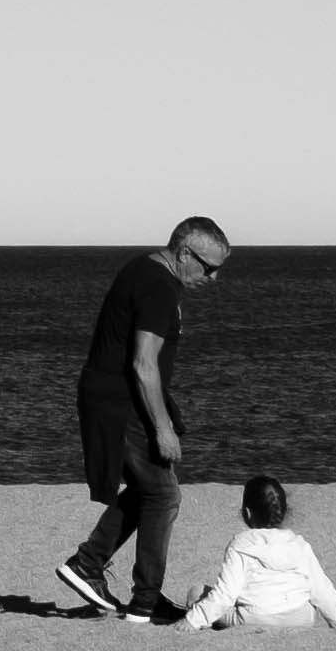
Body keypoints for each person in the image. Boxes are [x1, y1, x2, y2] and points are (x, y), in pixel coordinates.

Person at [54, 217, 230, 624]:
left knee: (146, 490)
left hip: (113, 397)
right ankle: (143, 601)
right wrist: (163, 428)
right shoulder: (157, 287)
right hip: (123, 401)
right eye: (208, 267)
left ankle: (90, 565)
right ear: (184, 252)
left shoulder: (147, 272)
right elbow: (143, 364)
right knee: (164, 495)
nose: (214, 277)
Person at [183, 475, 336, 631]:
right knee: (307, 600)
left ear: (247, 513)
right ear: (284, 511)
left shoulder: (240, 544)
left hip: (253, 617)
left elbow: (226, 594)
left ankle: (202, 620)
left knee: (197, 592)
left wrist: (192, 620)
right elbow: (321, 588)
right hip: (299, 619)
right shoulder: (299, 544)